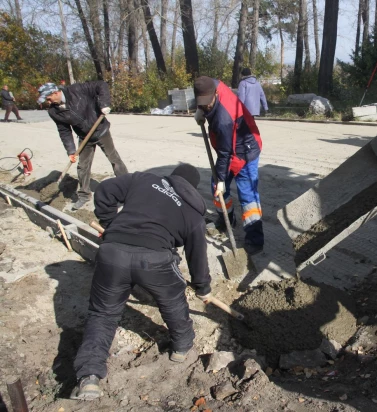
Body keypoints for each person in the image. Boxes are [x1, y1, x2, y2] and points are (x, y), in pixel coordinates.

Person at [71, 163, 211, 400]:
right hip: (155, 261)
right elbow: (197, 254)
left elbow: (105, 190)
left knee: (103, 314)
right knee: (173, 301)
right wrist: (202, 287)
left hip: (112, 252)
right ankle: (181, 347)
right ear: (192, 189)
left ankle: (89, 377)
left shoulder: (143, 180)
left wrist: (110, 224)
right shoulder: (193, 212)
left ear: (172, 177)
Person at [194, 76, 264, 254]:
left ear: (216, 94)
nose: (207, 106)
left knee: (247, 196)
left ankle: (255, 239)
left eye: (208, 103)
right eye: (201, 102)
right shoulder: (211, 85)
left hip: (245, 151)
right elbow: (206, 86)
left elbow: (225, 153)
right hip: (230, 147)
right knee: (215, 187)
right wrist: (200, 110)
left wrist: (222, 180)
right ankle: (227, 220)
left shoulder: (224, 119)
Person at [38, 82, 128, 210]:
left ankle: (128, 188)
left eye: (48, 98)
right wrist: (70, 151)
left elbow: (101, 85)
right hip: (84, 137)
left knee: (114, 159)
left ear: (55, 93)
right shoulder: (53, 111)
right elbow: (64, 131)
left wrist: (104, 104)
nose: (48, 102)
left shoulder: (76, 90)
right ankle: (85, 195)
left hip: (101, 130)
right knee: (82, 166)